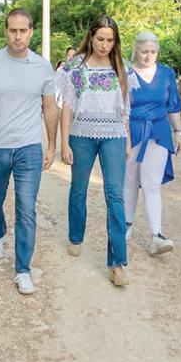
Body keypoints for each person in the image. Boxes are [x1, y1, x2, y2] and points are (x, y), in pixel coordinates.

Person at [0, 8, 58, 296]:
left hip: (29, 148)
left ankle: (23, 270)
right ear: (6, 31)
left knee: (26, 208)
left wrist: (51, 145)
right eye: (13, 30)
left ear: (31, 32)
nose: (18, 36)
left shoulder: (43, 67)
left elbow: (50, 107)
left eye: (23, 30)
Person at [56, 15, 130, 287]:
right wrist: (64, 142)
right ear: (91, 36)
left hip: (114, 136)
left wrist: (127, 139)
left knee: (115, 195)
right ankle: (76, 236)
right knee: (79, 189)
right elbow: (67, 107)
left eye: (110, 40)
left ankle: (117, 263)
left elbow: (125, 107)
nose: (105, 45)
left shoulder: (122, 67)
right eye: (100, 39)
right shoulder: (75, 66)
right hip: (81, 135)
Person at [123, 32, 181, 255]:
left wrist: (179, 131)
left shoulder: (167, 74)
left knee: (151, 183)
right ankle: (127, 224)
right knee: (130, 180)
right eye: (144, 51)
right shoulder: (126, 73)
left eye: (153, 51)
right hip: (132, 130)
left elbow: (173, 105)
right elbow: (120, 106)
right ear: (136, 51)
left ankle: (156, 234)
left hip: (158, 131)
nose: (148, 56)